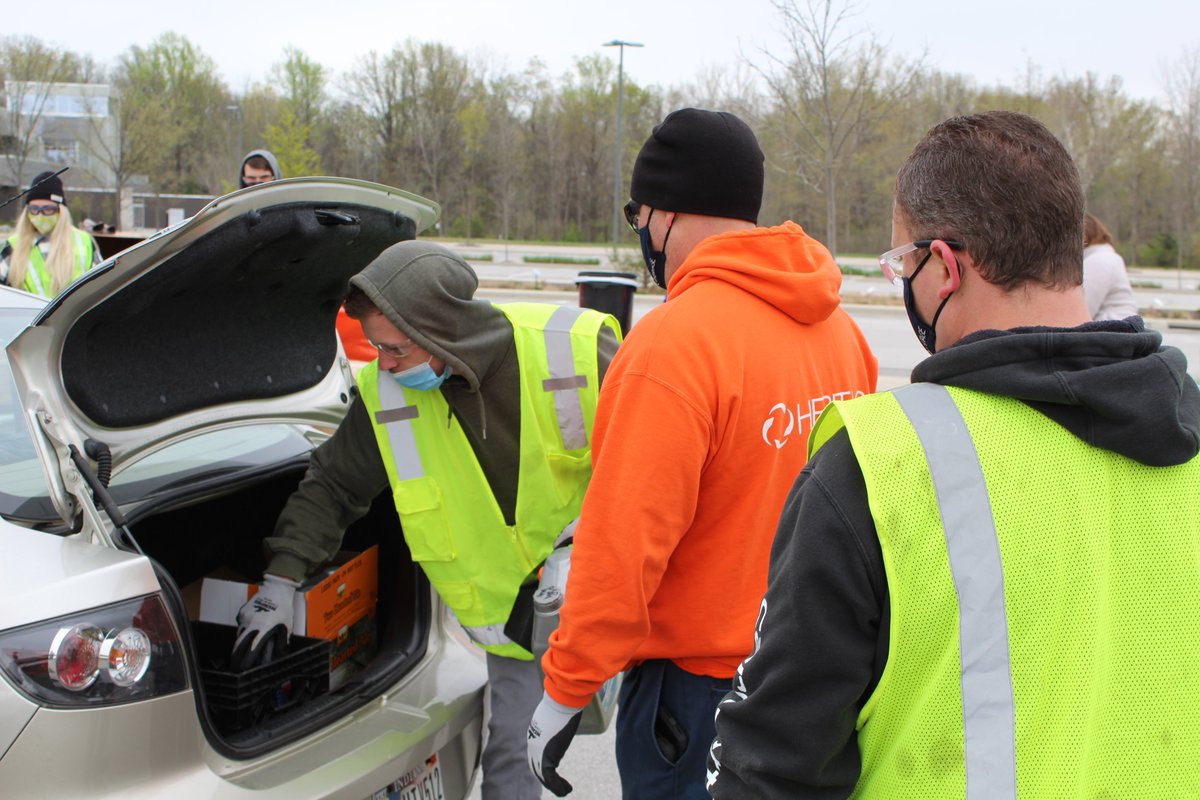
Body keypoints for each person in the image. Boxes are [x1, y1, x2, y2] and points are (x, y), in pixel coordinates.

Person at [706, 111, 1200, 797]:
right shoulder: (1187, 440)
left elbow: (769, 766)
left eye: (901, 263)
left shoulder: (881, 465)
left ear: (943, 267)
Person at [527, 107, 879, 798]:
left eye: (638, 217)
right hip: (815, 673)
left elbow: (624, 545)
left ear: (664, 212)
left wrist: (566, 690)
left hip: (697, 696)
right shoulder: (839, 331)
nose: (641, 236)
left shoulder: (673, 346)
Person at [229, 239, 620, 799]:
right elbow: (334, 485)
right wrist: (280, 580)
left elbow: (658, 465)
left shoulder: (576, 350)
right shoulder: (386, 394)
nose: (383, 364)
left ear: (444, 330)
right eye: (375, 348)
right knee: (514, 757)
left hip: (616, 596)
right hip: (516, 622)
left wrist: (595, 550)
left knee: (653, 743)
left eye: (394, 349)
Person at [1, 171, 101, 297]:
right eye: (34, 209)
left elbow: (100, 288)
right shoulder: (13, 246)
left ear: (61, 210)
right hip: (29, 316)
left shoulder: (84, 242)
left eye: (48, 209)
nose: (40, 215)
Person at [1082, 212, 1138, 320]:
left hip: (1112, 330)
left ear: (1084, 236)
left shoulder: (1099, 261)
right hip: (1119, 330)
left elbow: (1084, 309)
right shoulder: (1107, 257)